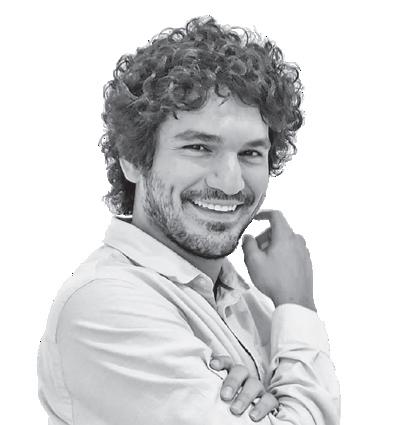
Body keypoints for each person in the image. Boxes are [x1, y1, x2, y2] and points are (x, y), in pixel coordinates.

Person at [38, 16, 340, 425]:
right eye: (199, 147)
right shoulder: (104, 305)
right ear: (133, 159)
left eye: (251, 153)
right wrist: (298, 305)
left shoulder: (250, 305)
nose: (231, 182)